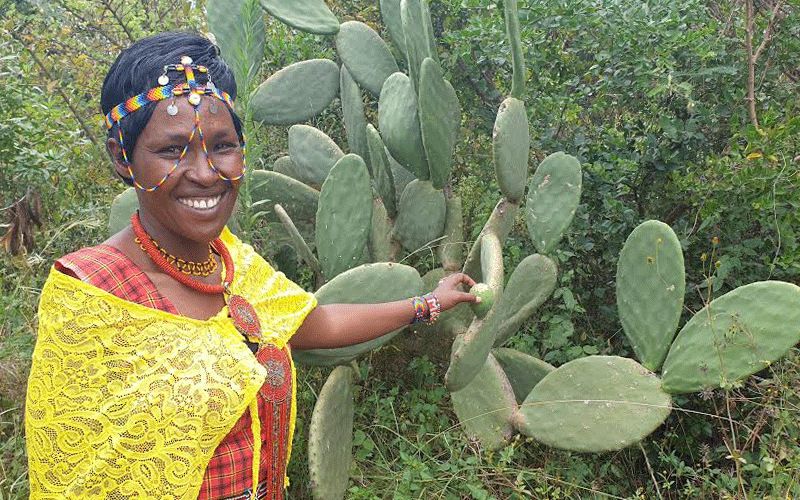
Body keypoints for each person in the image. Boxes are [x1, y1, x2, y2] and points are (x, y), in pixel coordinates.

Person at [25, 32, 479, 500]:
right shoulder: (91, 293)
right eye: (170, 150)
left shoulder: (232, 262)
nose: (205, 173)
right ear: (123, 157)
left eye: (222, 146)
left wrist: (427, 302)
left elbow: (313, 322)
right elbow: (73, 477)